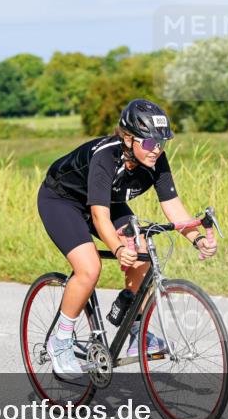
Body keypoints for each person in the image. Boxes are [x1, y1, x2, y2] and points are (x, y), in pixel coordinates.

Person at [37, 99, 218, 375]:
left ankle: (136, 330)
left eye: (161, 143)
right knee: (89, 268)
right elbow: (99, 217)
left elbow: (173, 207)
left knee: (143, 251)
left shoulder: (155, 159)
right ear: (128, 138)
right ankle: (60, 339)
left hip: (107, 201)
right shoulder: (106, 156)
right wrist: (119, 248)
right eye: (149, 143)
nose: (156, 150)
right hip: (63, 200)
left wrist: (197, 239)